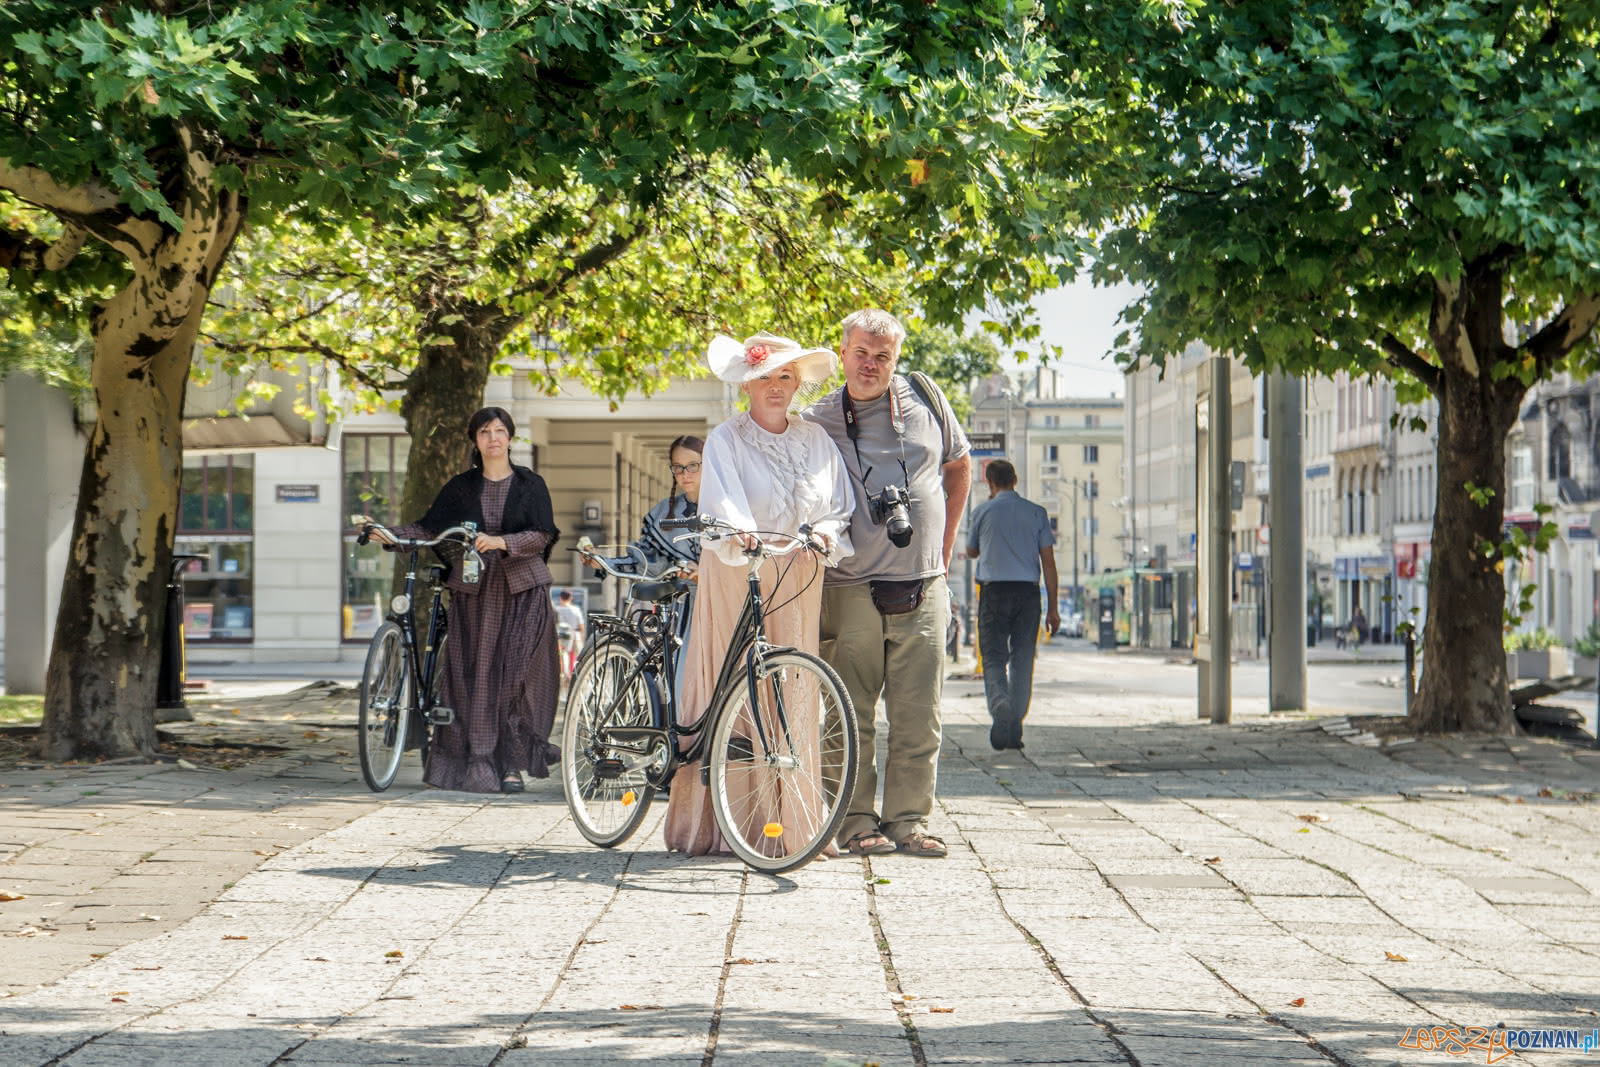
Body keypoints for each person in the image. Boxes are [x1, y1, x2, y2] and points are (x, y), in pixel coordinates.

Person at [663, 332, 855, 856]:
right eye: (766, 376)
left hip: (798, 571)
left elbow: (838, 503)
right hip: (738, 567)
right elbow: (722, 499)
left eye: (786, 376)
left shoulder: (816, 440)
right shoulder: (726, 438)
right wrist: (741, 532)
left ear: (797, 384)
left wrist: (824, 531)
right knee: (738, 680)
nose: (776, 386)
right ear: (748, 382)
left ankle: (792, 819)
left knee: (792, 685)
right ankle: (728, 820)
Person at [806, 308, 971, 859]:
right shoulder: (820, 418)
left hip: (923, 583)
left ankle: (909, 823)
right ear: (844, 352)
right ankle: (854, 822)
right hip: (848, 584)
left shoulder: (926, 399)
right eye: (861, 353)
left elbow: (960, 465)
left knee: (918, 715)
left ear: (896, 359)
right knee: (849, 715)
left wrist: (943, 548)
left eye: (883, 356)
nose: (871, 365)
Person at [365, 406, 560, 794]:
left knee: (516, 679)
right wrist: (390, 534)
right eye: (485, 431)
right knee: (475, 678)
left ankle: (512, 765)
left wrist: (504, 541)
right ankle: (480, 764)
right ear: (475, 439)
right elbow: (428, 528)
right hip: (474, 594)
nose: (493, 438)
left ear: (510, 437)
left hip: (523, 592)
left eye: (500, 430)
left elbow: (542, 535)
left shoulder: (530, 484)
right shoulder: (459, 487)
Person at [966, 459, 1059, 750]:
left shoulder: (982, 511)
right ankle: (1014, 726)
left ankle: (1000, 705)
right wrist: (1053, 607)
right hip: (1027, 595)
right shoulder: (1037, 513)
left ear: (991, 483)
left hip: (994, 593)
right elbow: (1049, 563)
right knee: (1023, 660)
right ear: (1015, 480)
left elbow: (971, 551)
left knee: (993, 656)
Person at [554, 589, 585, 680]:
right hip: (574, 634)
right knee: (573, 654)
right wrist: (582, 636)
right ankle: (571, 675)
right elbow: (581, 625)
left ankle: (562, 673)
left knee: (561, 654)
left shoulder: (557, 609)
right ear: (570, 598)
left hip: (560, 635)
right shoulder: (575, 609)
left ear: (561, 598)